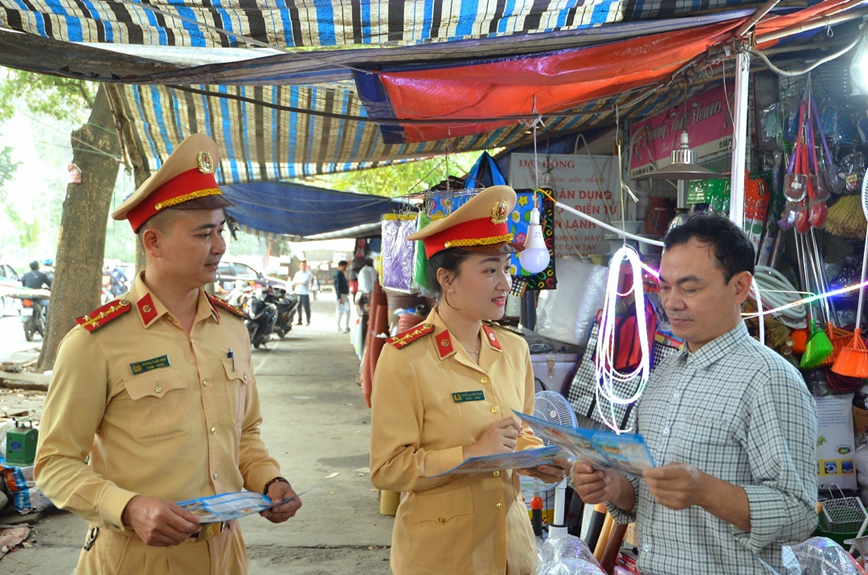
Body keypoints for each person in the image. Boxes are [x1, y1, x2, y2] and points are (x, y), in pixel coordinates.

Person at [34, 134, 302, 575]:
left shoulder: (231, 329)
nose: (220, 247)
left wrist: (269, 480)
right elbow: (54, 462)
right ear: (153, 242)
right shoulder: (95, 342)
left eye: (220, 231)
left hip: (226, 553)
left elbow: (245, 432)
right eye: (203, 234)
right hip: (136, 559)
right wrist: (127, 507)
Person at [570, 214, 817, 575]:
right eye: (665, 287)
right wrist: (612, 485)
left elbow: (799, 514)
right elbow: (645, 495)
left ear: (739, 287)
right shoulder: (663, 375)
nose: (671, 302)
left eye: (690, 288)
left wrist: (707, 491)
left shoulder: (768, 379)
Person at [370, 186, 565, 575]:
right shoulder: (405, 358)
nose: (505, 284)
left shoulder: (513, 350)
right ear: (447, 279)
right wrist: (470, 454)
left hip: (511, 552)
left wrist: (539, 460)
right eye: (489, 269)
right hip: (443, 558)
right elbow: (388, 469)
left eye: (506, 269)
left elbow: (519, 432)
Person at [291, 261, 313, 326]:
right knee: (298, 307)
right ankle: (299, 320)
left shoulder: (308, 274)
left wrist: (298, 282)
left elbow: (305, 281)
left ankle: (308, 320)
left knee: (306, 307)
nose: (303, 267)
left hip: (305, 293)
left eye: (304, 265)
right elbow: (294, 282)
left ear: (306, 266)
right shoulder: (297, 274)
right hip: (297, 292)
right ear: (299, 266)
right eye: (302, 265)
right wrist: (297, 282)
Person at [333, 260, 350, 333]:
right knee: (340, 311)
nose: (345, 268)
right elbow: (337, 286)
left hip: (343, 295)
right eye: (345, 267)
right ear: (340, 266)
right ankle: (338, 327)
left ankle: (345, 326)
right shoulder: (338, 275)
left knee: (346, 311)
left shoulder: (341, 274)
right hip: (341, 295)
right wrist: (339, 297)